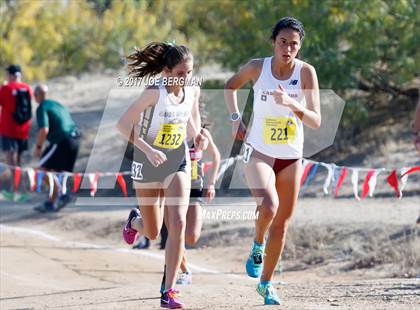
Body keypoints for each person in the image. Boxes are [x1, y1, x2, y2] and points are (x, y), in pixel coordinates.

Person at [225, 17, 321, 305]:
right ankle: (257, 243)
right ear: (273, 42)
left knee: (282, 225)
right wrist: (234, 119)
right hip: (260, 151)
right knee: (269, 206)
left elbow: (316, 120)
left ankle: (266, 284)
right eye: (283, 42)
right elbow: (230, 87)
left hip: (291, 155)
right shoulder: (258, 67)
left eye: (294, 44)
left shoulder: (306, 73)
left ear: (299, 47)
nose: (288, 48)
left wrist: (293, 104)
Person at [117, 42, 207, 309]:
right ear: (166, 71)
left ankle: (169, 290)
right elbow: (122, 125)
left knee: (177, 223)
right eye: (180, 73)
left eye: (189, 72)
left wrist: (199, 137)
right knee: (154, 231)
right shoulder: (153, 93)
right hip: (147, 161)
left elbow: (192, 123)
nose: (185, 78)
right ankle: (134, 222)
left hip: (176, 161)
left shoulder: (192, 90)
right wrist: (148, 148)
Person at [176, 126, 220, 285]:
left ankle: (177, 257)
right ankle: (184, 270)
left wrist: (211, 183)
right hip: (174, 187)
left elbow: (216, 156)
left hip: (195, 188)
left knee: (192, 236)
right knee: (176, 231)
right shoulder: (171, 127)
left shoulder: (201, 133)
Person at [33, 84, 81, 212]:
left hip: (62, 140)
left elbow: (44, 129)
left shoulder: (42, 107)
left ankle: (62, 194)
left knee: (41, 170)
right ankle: (51, 202)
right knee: (60, 173)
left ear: (36, 96)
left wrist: (38, 147)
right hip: (75, 139)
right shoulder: (57, 105)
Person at [0, 64, 32, 201]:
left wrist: (2, 87)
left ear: (11, 75)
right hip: (23, 130)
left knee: (10, 161)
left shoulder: (7, 88)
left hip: (8, 129)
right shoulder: (27, 88)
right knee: (19, 161)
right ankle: (21, 190)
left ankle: (18, 191)